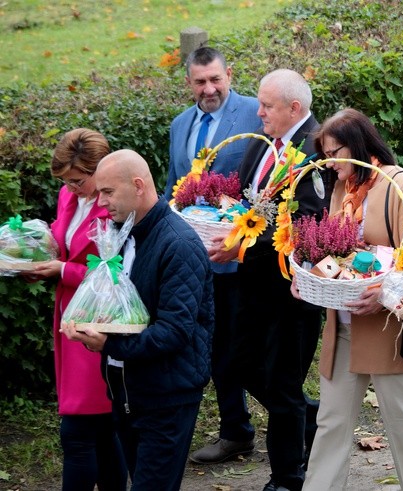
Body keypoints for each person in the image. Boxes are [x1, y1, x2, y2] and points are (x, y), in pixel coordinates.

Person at [294, 108, 403, 491]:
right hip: (342, 325)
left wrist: (386, 294)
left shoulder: (402, 184)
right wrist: (308, 274)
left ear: (359, 145)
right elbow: (334, 252)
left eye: (335, 152)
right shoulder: (341, 187)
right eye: (324, 154)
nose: (329, 162)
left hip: (388, 329)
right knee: (330, 423)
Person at [60, 149, 214, 491]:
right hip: (126, 392)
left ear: (139, 186)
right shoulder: (121, 233)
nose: (100, 203)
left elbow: (174, 332)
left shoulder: (178, 244)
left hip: (167, 397)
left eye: (108, 192)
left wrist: (110, 343)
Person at [210, 68, 329, 491]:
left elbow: (308, 225)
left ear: (294, 108)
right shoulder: (264, 144)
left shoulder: (315, 151)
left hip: (289, 293)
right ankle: (309, 414)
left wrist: (241, 245)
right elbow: (251, 203)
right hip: (251, 285)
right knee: (240, 363)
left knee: (282, 383)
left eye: (266, 105)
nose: (257, 111)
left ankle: (286, 478)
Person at [165, 46, 261, 465]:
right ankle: (236, 430)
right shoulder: (179, 125)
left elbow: (271, 182)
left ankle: (306, 418)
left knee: (245, 352)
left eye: (215, 79)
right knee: (211, 347)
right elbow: (173, 188)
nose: (209, 88)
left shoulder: (256, 113)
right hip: (195, 261)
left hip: (244, 256)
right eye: (200, 81)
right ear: (189, 82)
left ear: (229, 74)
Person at [24, 129, 127, 491]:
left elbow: (118, 273)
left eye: (78, 181)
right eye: (66, 182)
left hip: (98, 319)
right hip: (69, 315)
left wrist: (63, 271)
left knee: (78, 430)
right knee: (99, 429)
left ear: (100, 171)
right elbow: (60, 242)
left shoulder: (115, 205)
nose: (71, 188)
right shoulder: (68, 196)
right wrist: (31, 256)